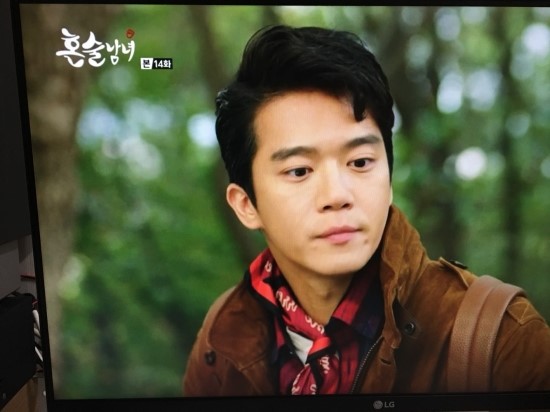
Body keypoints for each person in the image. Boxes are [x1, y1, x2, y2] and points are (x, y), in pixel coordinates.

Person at [182, 24, 550, 396]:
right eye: (299, 171)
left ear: (388, 177)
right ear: (246, 205)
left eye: (360, 162)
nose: (337, 195)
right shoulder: (222, 342)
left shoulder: (501, 337)